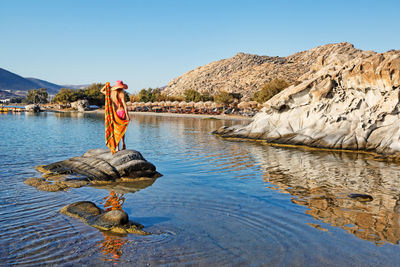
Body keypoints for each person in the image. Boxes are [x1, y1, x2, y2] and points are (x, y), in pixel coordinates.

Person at [100, 80, 130, 154]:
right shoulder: (121, 94)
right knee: (121, 128)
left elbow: (101, 91)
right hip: (122, 111)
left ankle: (117, 147)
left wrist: (106, 85)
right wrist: (127, 115)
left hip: (115, 113)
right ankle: (123, 143)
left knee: (116, 130)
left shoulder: (110, 93)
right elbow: (124, 105)